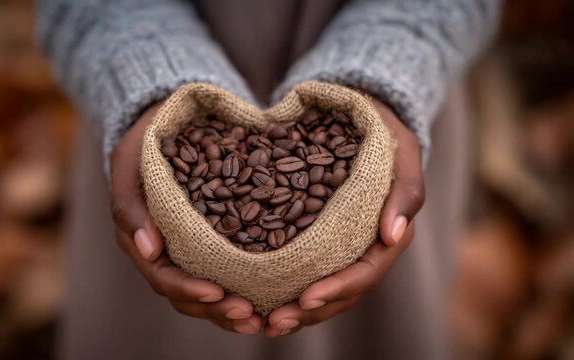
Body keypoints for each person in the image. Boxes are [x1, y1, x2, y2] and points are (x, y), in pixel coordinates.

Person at [37, 1, 500, 359]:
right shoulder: (174, 153)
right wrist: (137, 67)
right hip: (133, 116)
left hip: (404, 105)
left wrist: (395, 59)